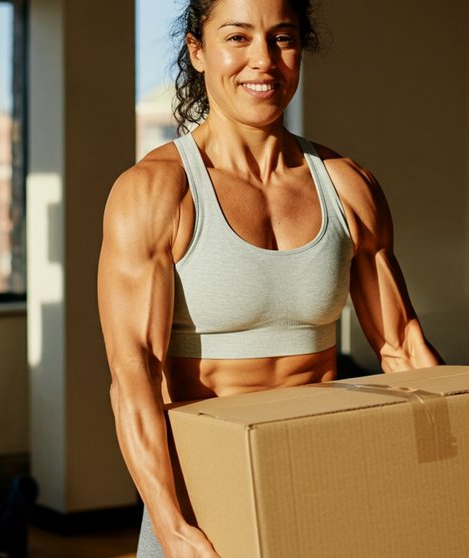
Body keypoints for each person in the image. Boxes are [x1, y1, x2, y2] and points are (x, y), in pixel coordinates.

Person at [97, 0, 442, 555]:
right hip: (202, 497)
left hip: (323, 478)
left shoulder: (348, 186)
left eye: (281, 38)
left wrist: (456, 459)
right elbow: (133, 372)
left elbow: (404, 347)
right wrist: (171, 524)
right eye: (237, 38)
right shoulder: (156, 191)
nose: (263, 60)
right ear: (197, 50)